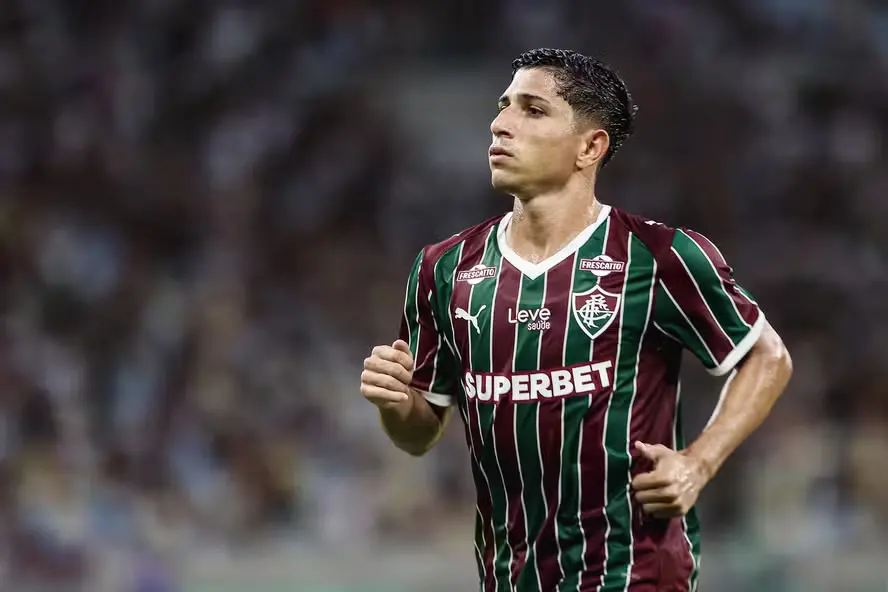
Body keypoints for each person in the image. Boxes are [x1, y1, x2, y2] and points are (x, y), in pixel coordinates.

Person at [359, 48, 792, 592]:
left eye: (532, 109)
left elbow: (767, 356)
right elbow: (419, 434)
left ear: (590, 147)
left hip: (633, 573)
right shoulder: (445, 268)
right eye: (503, 106)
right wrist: (398, 404)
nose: (500, 124)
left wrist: (698, 463)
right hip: (508, 576)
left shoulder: (658, 255)